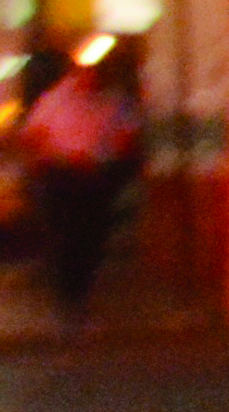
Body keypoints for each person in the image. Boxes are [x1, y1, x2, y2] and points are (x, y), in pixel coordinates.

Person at [18, 43, 144, 331]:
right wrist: (51, 158)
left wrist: (110, 159)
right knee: (65, 239)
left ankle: (81, 295)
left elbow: (129, 135)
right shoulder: (55, 99)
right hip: (61, 177)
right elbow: (33, 136)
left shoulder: (114, 101)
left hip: (95, 178)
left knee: (91, 239)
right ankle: (69, 300)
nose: (91, 78)